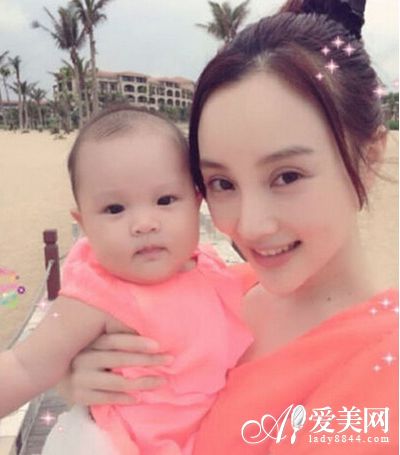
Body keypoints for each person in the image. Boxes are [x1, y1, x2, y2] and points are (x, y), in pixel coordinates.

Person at [58, 0, 399, 453]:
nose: (250, 226)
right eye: (222, 183)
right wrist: (81, 380)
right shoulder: (212, 285)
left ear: (369, 157)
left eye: (287, 176)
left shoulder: (383, 369)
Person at [0, 105, 254, 454]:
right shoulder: (97, 295)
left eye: (165, 200)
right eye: (115, 209)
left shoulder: (209, 269)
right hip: (119, 443)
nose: (144, 223)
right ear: (85, 224)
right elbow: (25, 366)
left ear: (196, 203)